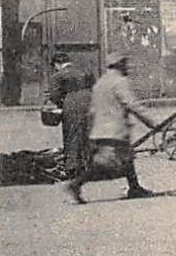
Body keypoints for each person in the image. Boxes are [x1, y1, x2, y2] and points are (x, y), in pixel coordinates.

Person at [66, 55, 156, 203]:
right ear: (119, 65)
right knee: (108, 165)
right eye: (125, 64)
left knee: (127, 158)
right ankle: (77, 183)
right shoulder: (120, 81)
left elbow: (93, 109)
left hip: (100, 129)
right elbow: (132, 104)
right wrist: (152, 121)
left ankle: (134, 187)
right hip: (114, 130)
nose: (127, 67)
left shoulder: (100, 83)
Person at [45, 54, 93, 180]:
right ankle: (88, 165)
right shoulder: (85, 71)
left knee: (71, 135)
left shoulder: (58, 76)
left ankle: (71, 168)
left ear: (56, 64)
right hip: (90, 102)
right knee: (87, 134)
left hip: (72, 103)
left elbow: (54, 95)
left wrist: (62, 105)